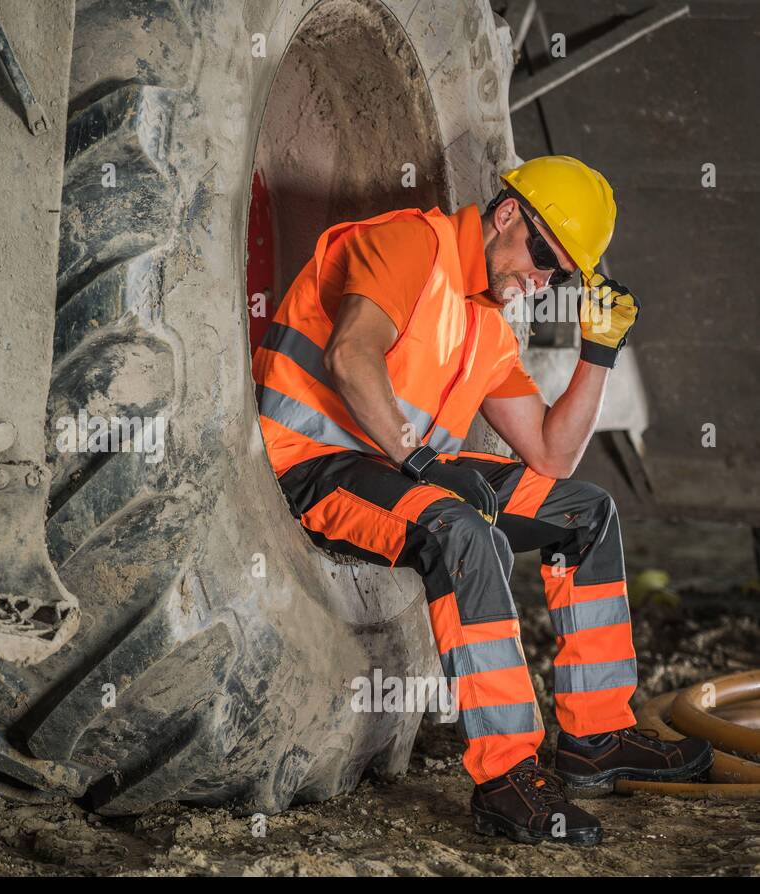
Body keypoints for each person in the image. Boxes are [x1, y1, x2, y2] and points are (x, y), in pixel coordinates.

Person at [253, 155, 712, 845]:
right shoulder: (411, 244)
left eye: (558, 273)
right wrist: (425, 463)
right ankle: (507, 779)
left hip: (399, 466)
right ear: (506, 214)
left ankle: (598, 736)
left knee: (584, 513)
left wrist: (600, 352)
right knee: (463, 531)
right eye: (542, 255)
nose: (543, 278)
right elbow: (352, 355)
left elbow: (552, 454)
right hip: (315, 463)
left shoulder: (489, 322)